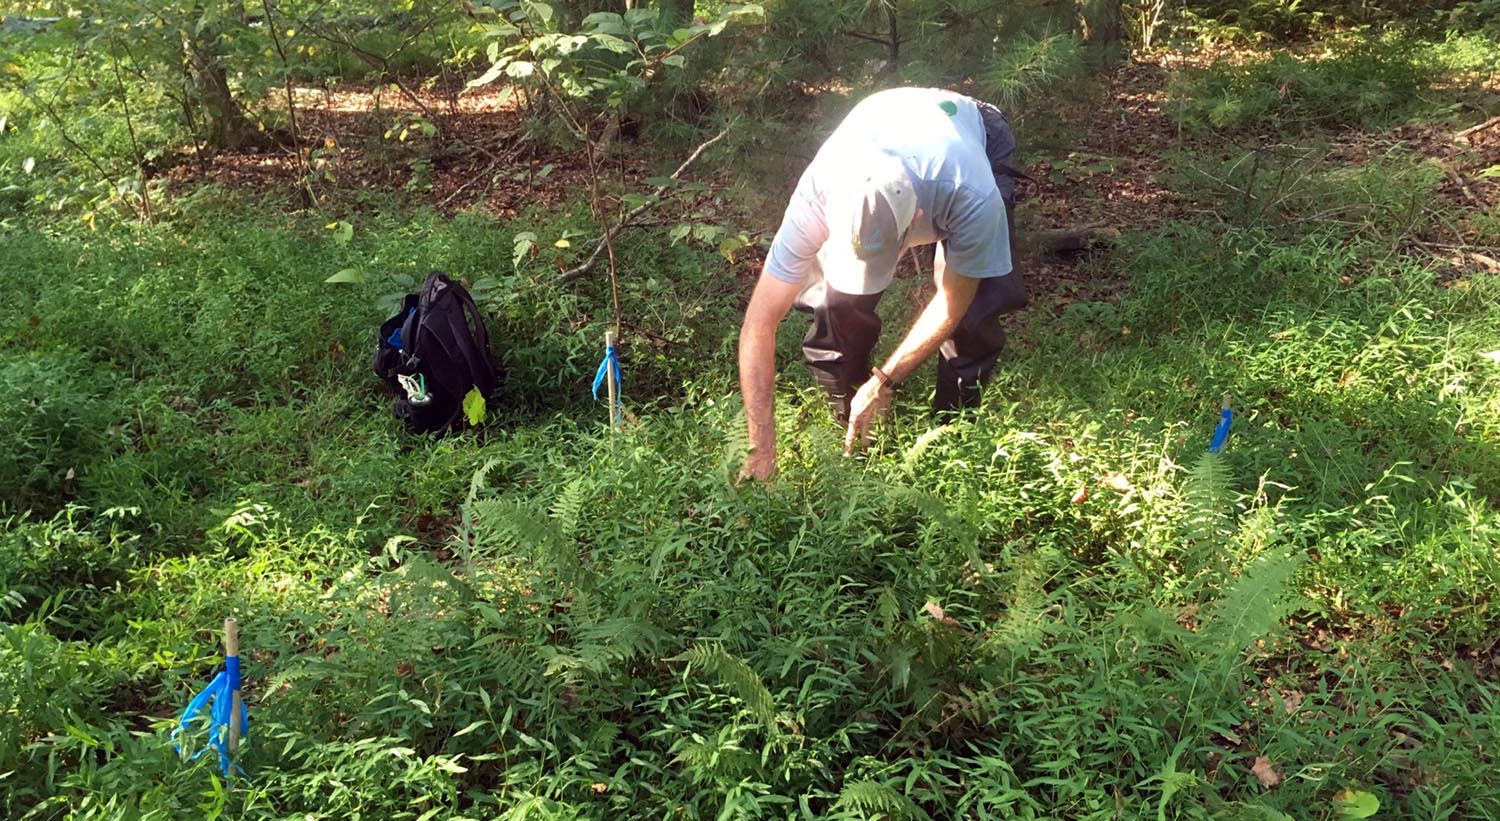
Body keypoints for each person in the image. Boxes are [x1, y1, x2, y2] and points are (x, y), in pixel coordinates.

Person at [737, 87, 1028, 481]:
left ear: (917, 222)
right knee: (835, 307)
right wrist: (761, 445)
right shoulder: (817, 195)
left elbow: (951, 300)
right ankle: (851, 435)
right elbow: (759, 322)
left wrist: (885, 378)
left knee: (974, 316)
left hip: (971, 131)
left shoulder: (972, 194)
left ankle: (946, 447)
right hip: (886, 118)